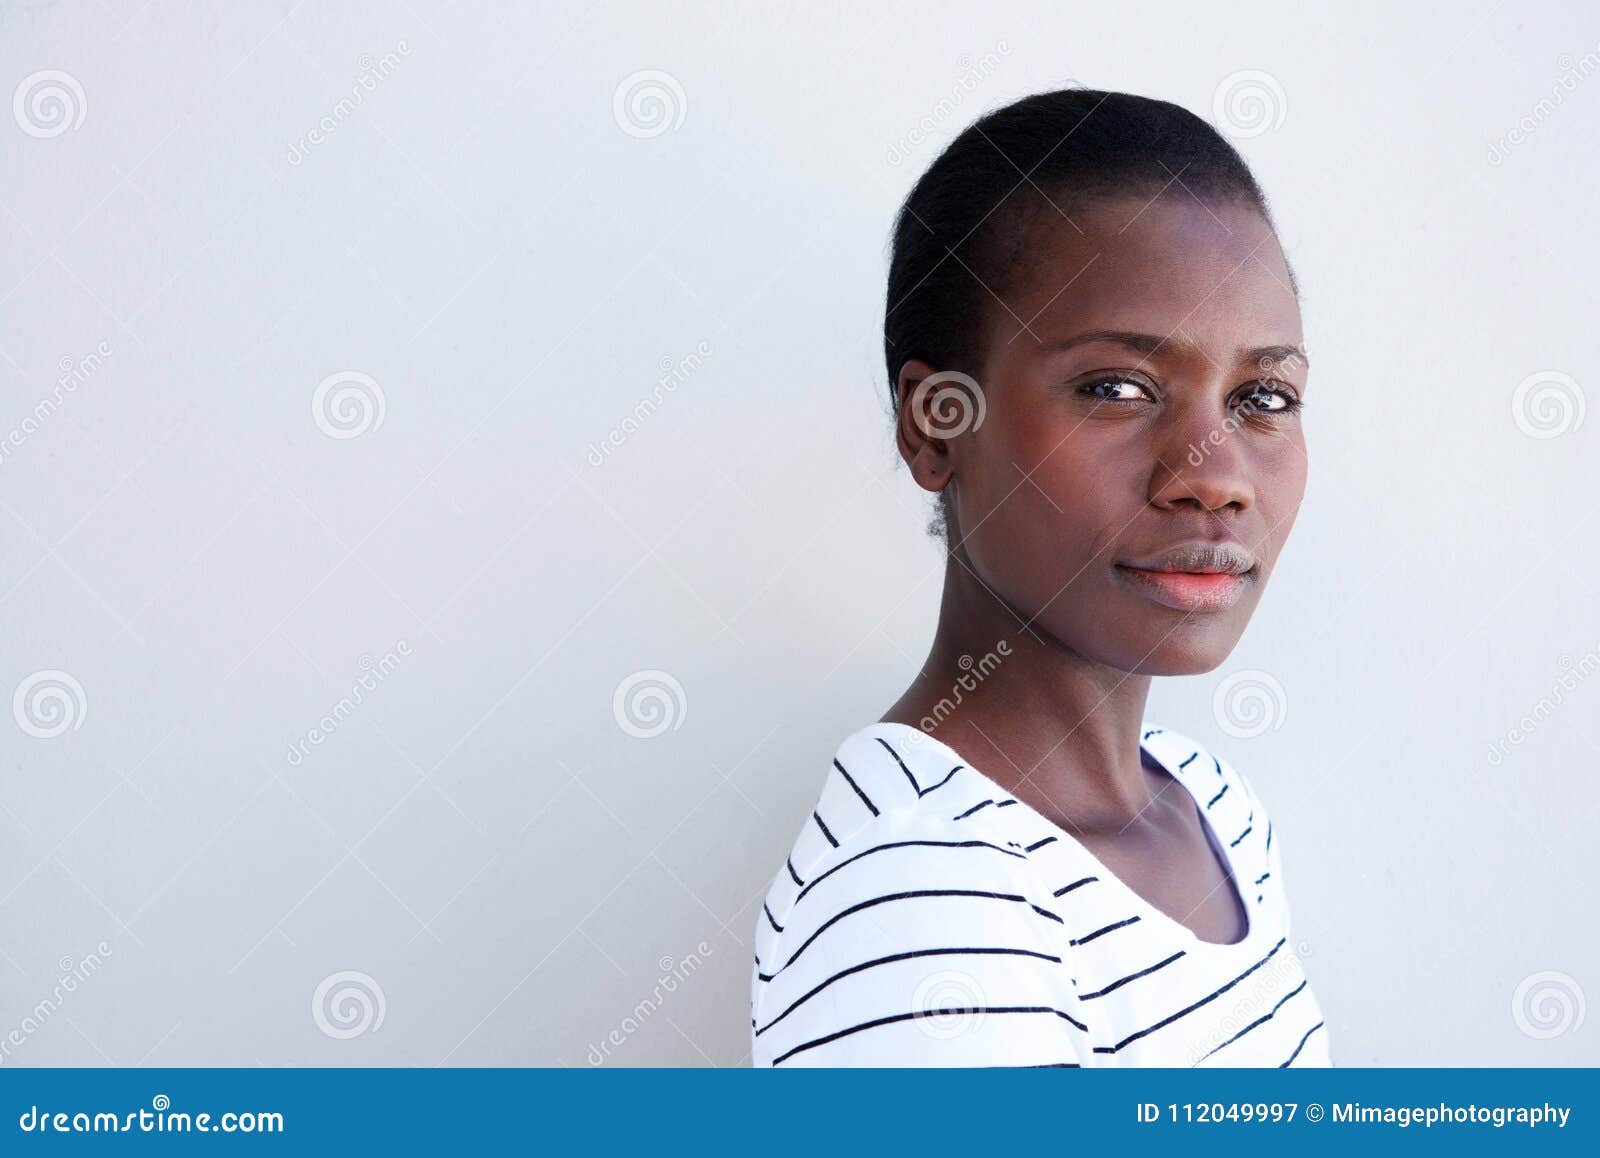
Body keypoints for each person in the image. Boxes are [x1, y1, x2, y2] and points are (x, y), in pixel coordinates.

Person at [750, 88, 1329, 1067]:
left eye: (1262, 397)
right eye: (1116, 388)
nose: (1215, 476)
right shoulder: (924, 900)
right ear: (935, 426)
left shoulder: (1213, 808)